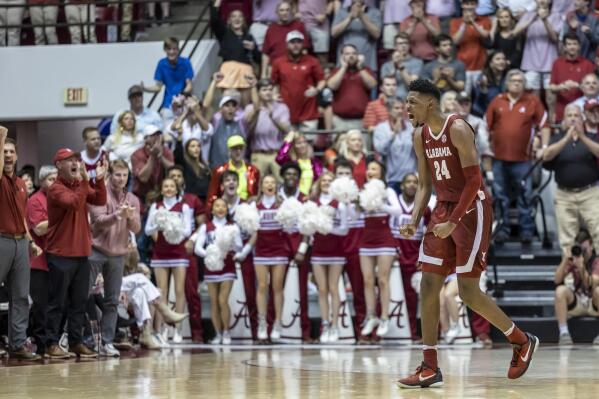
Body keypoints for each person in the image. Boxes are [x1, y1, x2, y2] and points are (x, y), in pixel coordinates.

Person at [397, 79, 538, 388]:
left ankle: (521, 340)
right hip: (444, 208)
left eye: (411, 102)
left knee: (468, 291)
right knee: (429, 284)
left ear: (430, 103)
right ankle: (429, 365)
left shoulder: (458, 128)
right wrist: (414, 217)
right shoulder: (419, 135)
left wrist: (454, 221)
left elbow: (474, 182)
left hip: (472, 209)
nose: (406, 107)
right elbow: (423, 185)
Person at [45, 148, 107, 359]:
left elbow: (99, 200)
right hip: (60, 253)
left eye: (76, 160)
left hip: (81, 253)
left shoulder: (78, 186)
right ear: (58, 165)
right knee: (57, 302)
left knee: (79, 302)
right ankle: (51, 343)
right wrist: (84, 181)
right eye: (69, 160)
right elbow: (74, 203)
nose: (75, 163)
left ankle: (75, 342)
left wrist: (98, 180)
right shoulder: (55, 189)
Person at [485, 69, 550, 244]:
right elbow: (486, 127)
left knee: (525, 196)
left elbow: (544, 125)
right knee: (500, 197)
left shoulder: (532, 101)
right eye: (513, 80)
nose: (516, 83)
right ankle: (501, 230)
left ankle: (526, 232)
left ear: (524, 84)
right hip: (498, 158)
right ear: (506, 83)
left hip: (523, 159)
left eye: (520, 81)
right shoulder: (497, 101)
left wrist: (544, 146)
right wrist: (486, 150)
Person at [88, 160, 141, 357]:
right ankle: (74, 337)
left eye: (125, 175)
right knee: (82, 296)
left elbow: (136, 229)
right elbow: (98, 223)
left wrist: (129, 217)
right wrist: (118, 215)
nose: (121, 179)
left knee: (111, 301)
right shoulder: (99, 194)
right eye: (117, 175)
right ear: (109, 175)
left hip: (118, 254)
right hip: (96, 250)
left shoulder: (133, 199)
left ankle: (107, 342)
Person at [0, 128, 43, 360]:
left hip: (19, 243)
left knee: (20, 296)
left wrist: (31, 241)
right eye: (4, 151)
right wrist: (0, 137)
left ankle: (17, 343)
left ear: (17, 156)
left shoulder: (21, 184)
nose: (7, 155)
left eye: (11, 151)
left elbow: (22, 217)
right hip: (1, 240)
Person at [543, 102, 599, 256]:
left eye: (576, 115)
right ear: (564, 119)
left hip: (590, 193)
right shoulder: (557, 138)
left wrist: (581, 136)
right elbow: (546, 155)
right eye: (569, 115)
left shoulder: (592, 136)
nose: (573, 119)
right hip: (564, 195)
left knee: (598, 232)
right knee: (567, 239)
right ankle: (569, 279)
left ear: (582, 118)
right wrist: (567, 138)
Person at [145, 177, 193, 344]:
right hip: (160, 253)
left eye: (172, 186)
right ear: (162, 189)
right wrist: (160, 225)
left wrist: (175, 227)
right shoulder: (156, 207)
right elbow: (147, 229)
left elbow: (188, 231)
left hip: (179, 253)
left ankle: (178, 330)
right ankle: (162, 330)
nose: (169, 188)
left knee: (179, 291)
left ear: (177, 188)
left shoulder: (184, 207)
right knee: (161, 292)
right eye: (165, 186)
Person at [359, 160, 401, 339]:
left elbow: (398, 211)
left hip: (384, 238)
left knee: (382, 279)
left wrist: (379, 204)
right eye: (368, 168)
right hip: (366, 238)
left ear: (381, 173)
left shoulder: (388, 191)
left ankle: (384, 316)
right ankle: (371, 316)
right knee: (368, 280)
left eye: (374, 168)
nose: (370, 171)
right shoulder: (362, 190)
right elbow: (356, 214)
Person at [194, 198, 243, 345]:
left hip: (227, 267)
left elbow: (239, 247)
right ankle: (218, 334)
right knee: (214, 301)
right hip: (211, 267)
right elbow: (198, 248)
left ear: (227, 210)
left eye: (223, 206)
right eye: (217, 206)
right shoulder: (205, 227)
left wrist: (232, 245)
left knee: (223, 300)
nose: (221, 208)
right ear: (212, 209)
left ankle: (227, 332)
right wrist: (211, 254)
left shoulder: (233, 226)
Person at [308, 172, 349, 343]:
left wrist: (326, 227)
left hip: (336, 251)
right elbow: (307, 228)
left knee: (334, 288)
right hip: (318, 251)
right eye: (323, 180)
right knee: (322, 289)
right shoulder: (312, 203)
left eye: (329, 181)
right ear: (319, 183)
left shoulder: (340, 204)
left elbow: (345, 229)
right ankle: (325, 324)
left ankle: (334, 326)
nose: (326, 183)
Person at [392, 173, 430, 339]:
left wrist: (422, 256)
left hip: (415, 258)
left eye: (416, 182)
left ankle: (416, 333)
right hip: (395, 257)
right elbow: (387, 231)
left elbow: (428, 235)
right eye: (408, 181)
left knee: (415, 298)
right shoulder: (393, 205)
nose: (412, 185)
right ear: (402, 185)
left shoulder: (425, 208)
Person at [252, 175, 289, 341]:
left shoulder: (283, 204)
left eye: (272, 182)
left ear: (276, 186)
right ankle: (262, 323)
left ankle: (278, 323)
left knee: (277, 287)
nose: (269, 185)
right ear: (261, 186)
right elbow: (251, 230)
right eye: (266, 182)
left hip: (279, 249)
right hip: (261, 250)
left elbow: (291, 227)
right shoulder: (254, 205)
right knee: (261, 286)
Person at [25, 165, 57, 357]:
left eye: (57, 180)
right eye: (51, 180)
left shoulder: (59, 200)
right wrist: (62, 216)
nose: (55, 184)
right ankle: (41, 343)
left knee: (56, 304)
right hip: (39, 261)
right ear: (42, 181)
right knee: (41, 306)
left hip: (58, 259)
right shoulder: (35, 200)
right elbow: (39, 229)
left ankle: (54, 342)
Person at [334, 159, 366, 341]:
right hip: (334, 249)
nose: (344, 177)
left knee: (359, 291)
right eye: (340, 173)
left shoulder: (360, 195)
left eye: (347, 173)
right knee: (332, 291)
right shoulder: (328, 196)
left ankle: (363, 332)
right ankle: (333, 330)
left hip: (356, 247)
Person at [271, 30, 325, 131]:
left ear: (303, 44)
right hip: (286, 113)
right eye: (292, 42)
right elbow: (273, 82)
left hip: (309, 113)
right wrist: (273, 94)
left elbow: (322, 80)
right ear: (287, 45)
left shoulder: (312, 61)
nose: (296, 45)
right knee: (286, 146)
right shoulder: (278, 62)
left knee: (308, 145)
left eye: (298, 42)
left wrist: (316, 90)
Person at [553, 229, 599, 345]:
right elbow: (557, 280)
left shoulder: (597, 261)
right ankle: (564, 333)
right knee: (560, 291)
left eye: (585, 249)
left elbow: (590, 284)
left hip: (594, 303)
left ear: (592, 246)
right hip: (579, 301)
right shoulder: (575, 259)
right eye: (581, 248)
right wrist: (565, 260)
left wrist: (581, 267)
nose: (583, 252)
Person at [244, 78, 290, 179]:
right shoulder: (250, 108)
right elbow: (247, 126)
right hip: (258, 154)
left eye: (270, 89)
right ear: (258, 92)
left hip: (276, 154)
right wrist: (256, 111)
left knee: (281, 184)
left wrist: (273, 115)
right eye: (264, 90)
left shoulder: (282, 108)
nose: (268, 92)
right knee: (256, 187)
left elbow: (287, 129)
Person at [513, 0, 561, 97]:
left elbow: (554, 38)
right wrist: (531, 19)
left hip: (550, 62)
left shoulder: (556, 16)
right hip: (530, 63)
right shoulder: (527, 15)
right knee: (533, 99)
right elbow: (514, 33)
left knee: (551, 99)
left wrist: (544, 20)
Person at [211, 0, 260, 93]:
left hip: (245, 71)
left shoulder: (249, 37)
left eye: (240, 16)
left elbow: (258, 58)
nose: (237, 19)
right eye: (233, 16)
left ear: (243, 20)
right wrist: (217, 3)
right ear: (229, 21)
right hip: (229, 71)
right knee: (229, 102)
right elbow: (214, 20)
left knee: (245, 104)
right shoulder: (224, 34)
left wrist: (253, 49)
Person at [328, 44, 377, 132]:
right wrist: (343, 67)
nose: (351, 56)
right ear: (342, 57)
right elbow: (332, 86)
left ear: (358, 56)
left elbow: (372, 85)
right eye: (347, 54)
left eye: (354, 53)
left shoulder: (366, 70)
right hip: (340, 121)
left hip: (362, 120)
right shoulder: (336, 71)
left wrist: (360, 68)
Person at [548, 33, 595, 123]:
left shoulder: (588, 64)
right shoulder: (557, 63)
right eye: (569, 44)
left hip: (583, 112)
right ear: (564, 47)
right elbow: (551, 87)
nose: (572, 47)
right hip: (561, 112)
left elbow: (593, 89)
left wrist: (577, 85)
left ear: (579, 46)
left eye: (574, 44)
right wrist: (561, 87)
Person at [373, 98, 416, 192]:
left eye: (402, 108)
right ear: (388, 110)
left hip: (410, 178)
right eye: (396, 108)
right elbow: (380, 149)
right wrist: (393, 134)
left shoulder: (411, 127)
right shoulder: (381, 128)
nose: (400, 111)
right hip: (392, 179)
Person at [261, 1, 311, 78]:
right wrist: (263, 74)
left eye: (287, 10)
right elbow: (265, 54)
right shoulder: (271, 29)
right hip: (275, 68)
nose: (285, 13)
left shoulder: (299, 26)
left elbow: (304, 50)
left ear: (291, 11)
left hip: (294, 67)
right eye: (282, 10)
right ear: (277, 12)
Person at [450, 0, 491, 94]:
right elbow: (455, 41)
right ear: (462, 5)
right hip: (463, 66)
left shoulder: (485, 20)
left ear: (477, 5)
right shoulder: (455, 22)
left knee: (481, 97)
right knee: (464, 97)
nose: (469, 7)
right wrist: (464, 23)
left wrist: (473, 22)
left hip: (480, 65)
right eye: (466, 4)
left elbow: (486, 35)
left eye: (472, 4)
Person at [142, 37, 193, 111]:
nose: (171, 52)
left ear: (178, 50)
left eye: (174, 49)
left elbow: (189, 85)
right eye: (169, 49)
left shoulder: (186, 62)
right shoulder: (161, 64)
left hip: (184, 104)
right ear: (165, 50)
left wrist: (182, 95)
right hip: (168, 105)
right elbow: (158, 87)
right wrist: (145, 89)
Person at [331, 0, 382, 71]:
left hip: (368, 64)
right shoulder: (341, 12)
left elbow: (377, 34)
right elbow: (334, 33)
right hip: (344, 65)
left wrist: (361, 16)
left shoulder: (375, 13)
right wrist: (350, 18)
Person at [207, 135, 260, 202]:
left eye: (241, 148)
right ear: (229, 151)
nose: (238, 152)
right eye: (235, 149)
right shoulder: (219, 171)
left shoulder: (253, 170)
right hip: (225, 208)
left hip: (247, 207)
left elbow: (256, 195)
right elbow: (212, 197)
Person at [131, 125, 175, 204]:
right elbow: (143, 178)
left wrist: (161, 157)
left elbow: (173, 171)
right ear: (146, 139)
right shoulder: (137, 154)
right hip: (142, 196)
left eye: (158, 134)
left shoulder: (166, 151)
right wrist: (153, 156)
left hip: (163, 195)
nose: (157, 137)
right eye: (153, 135)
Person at [276, 131, 323, 195]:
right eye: (298, 143)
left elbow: (319, 180)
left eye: (304, 142)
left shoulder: (315, 163)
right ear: (293, 146)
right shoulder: (290, 162)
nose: (302, 145)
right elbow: (279, 158)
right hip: (294, 197)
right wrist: (288, 141)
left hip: (310, 198)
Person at [380, 33, 423, 101]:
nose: (403, 46)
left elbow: (412, 85)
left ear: (409, 45)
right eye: (400, 43)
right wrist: (394, 65)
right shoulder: (386, 66)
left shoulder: (417, 62)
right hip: (391, 101)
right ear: (395, 46)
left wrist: (400, 66)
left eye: (405, 43)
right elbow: (386, 86)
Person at [173, 135, 211, 201]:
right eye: (193, 146)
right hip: (191, 199)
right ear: (187, 149)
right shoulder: (185, 164)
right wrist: (179, 140)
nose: (196, 148)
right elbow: (178, 155)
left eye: (198, 146)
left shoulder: (205, 166)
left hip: (205, 199)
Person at [296, 0, 334, 65]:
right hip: (302, 25)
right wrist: (295, 12)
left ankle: (323, 73)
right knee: (300, 55)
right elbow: (292, 2)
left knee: (322, 57)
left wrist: (325, 15)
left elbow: (332, 2)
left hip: (319, 26)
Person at [472, 50, 508, 117]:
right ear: (490, 63)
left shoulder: (508, 77)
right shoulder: (483, 77)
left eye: (504, 59)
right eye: (498, 59)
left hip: (502, 112)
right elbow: (479, 99)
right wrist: (483, 89)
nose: (502, 61)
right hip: (482, 112)